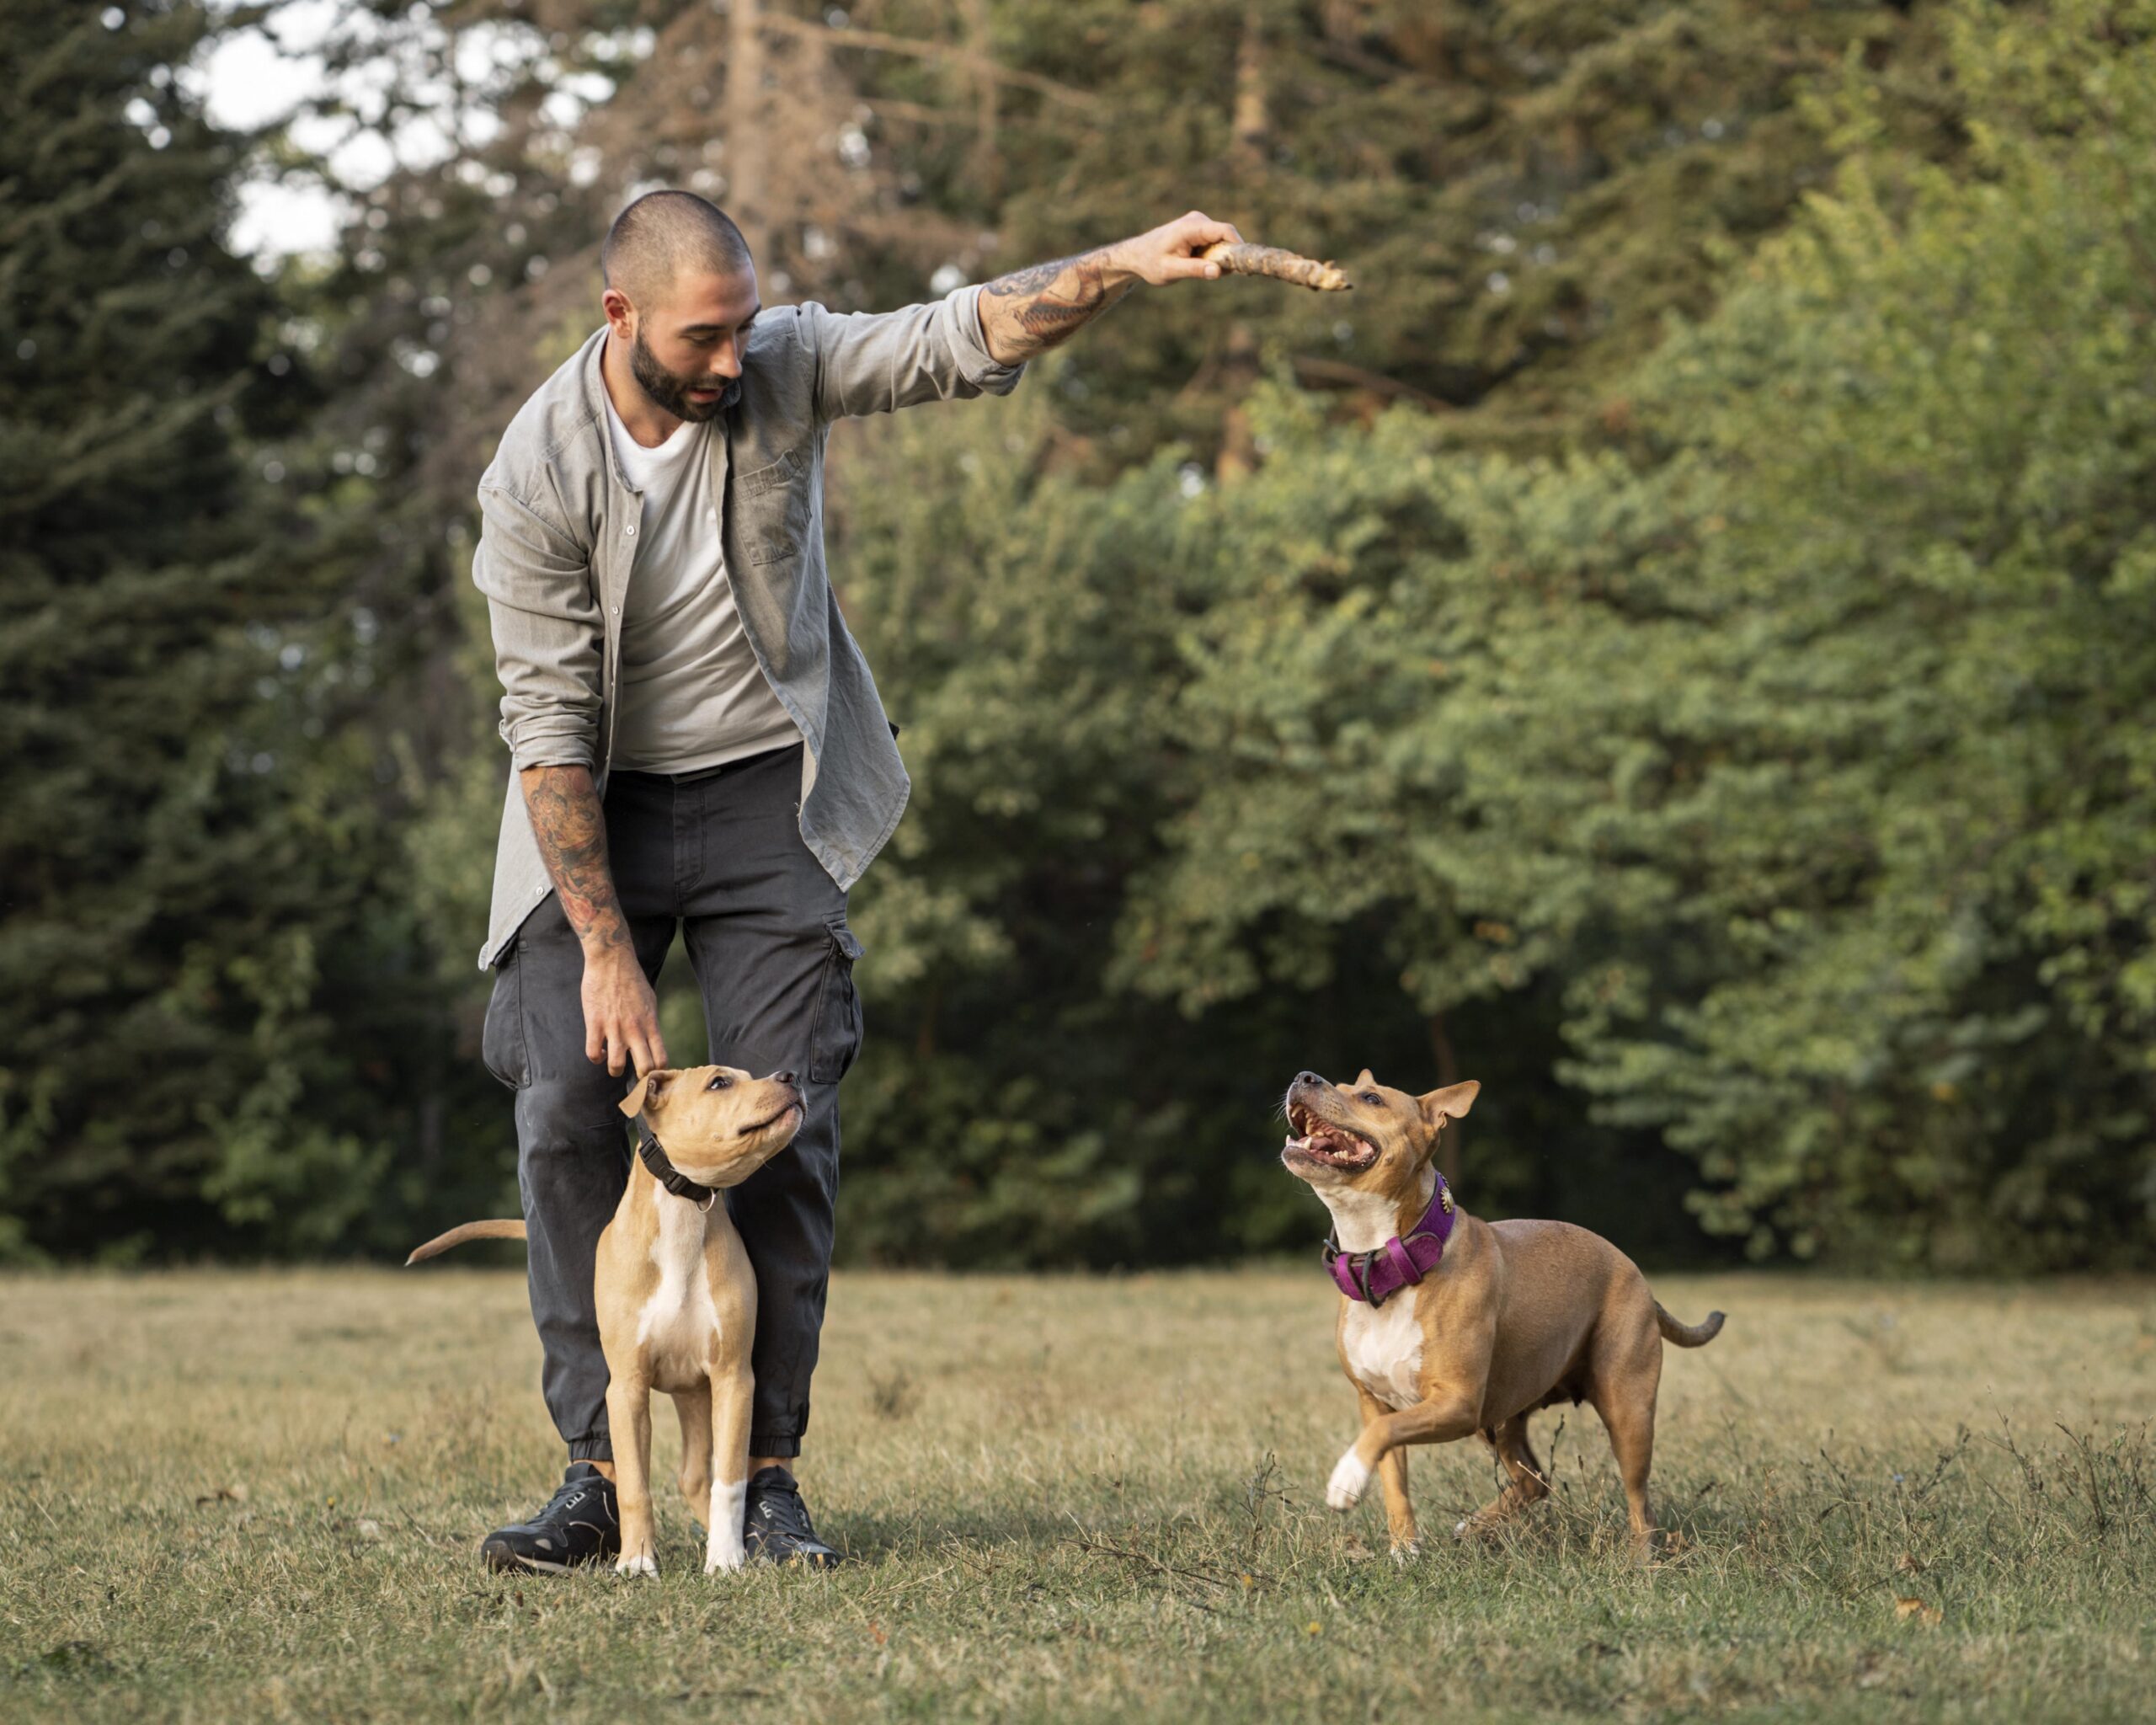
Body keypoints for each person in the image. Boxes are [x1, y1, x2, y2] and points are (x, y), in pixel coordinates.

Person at [468, 191, 1243, 1572]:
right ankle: (600, 1471)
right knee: (570, 1114)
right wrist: (603, 949)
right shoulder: (536, 474)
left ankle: (762, 1480)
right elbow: (546, 730)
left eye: (742, 329)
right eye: (702, 337)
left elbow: (953, 336)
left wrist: (1121, 264)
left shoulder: (780, 363)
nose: (729, 361)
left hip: (774, 791)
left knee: (785, 1118)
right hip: (596, 810)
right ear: (620, 318)